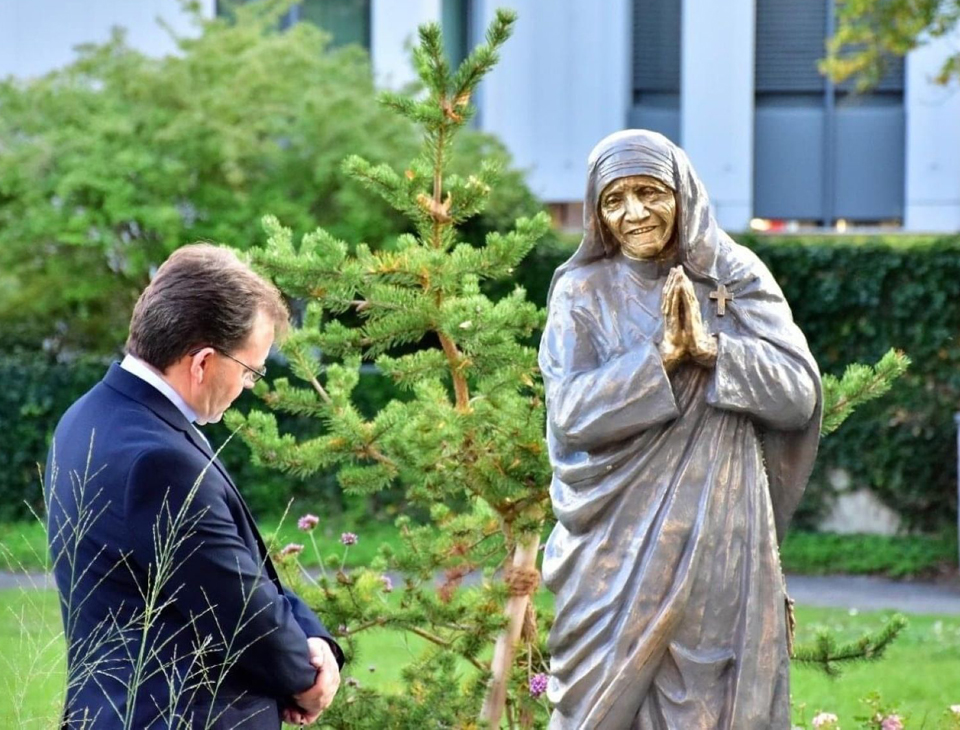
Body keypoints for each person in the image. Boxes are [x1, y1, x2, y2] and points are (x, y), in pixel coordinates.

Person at [539, 130, 822, 729]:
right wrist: (660, 360)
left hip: (720, 535)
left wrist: (714, 350)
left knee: (712, 700)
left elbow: (797, 394)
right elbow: (570, 414)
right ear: (597, 212)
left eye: (649, 192)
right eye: (615, 199)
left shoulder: (733, 273)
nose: (634, 212)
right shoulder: (580, 292)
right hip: (611, 542)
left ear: (682, 194)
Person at [44, 244, 342, 729]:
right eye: (250, 369)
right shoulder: (159, 461)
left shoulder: (86, 417)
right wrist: (309, 677)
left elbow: (244, 573)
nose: (249, 386)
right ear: (203, 362)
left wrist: (316, 639)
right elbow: (240, 611)